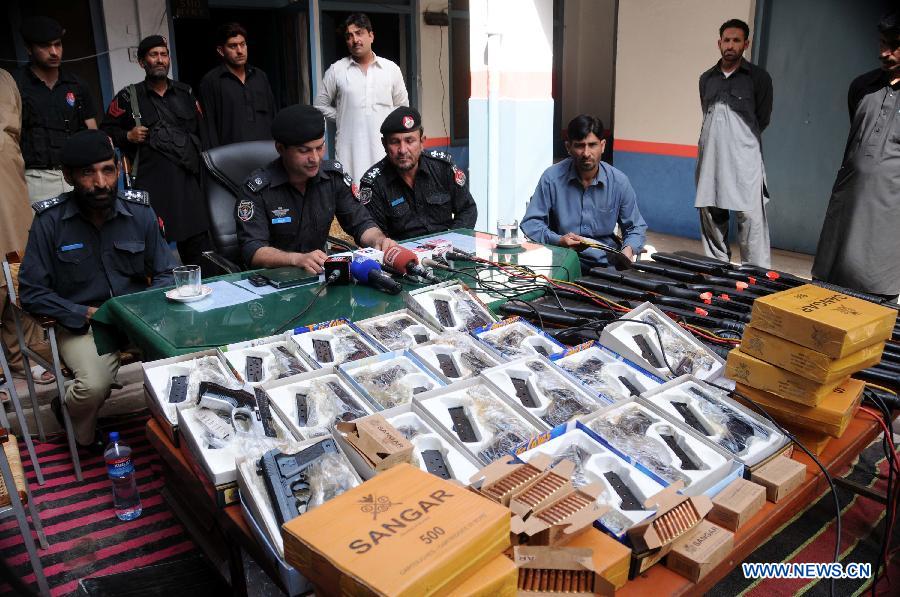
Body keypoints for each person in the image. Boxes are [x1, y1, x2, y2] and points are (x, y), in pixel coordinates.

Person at [18, 130, 177, 451]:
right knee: (91, 387)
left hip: (137, 317)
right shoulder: (50, 222)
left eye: (108, 170)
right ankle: (70, 416)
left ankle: (179, 432)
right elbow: (31, 292)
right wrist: (84, 313)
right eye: (87, 173)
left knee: (183, 359)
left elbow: (166, 273)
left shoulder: (139, 212)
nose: (101, 182)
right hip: (84, 325)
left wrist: (143, 307)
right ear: (69, 176)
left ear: (119, 170)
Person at [101, 35, 214, 276]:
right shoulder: (127, 97)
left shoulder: (186, 93)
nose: (160, 59)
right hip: (151, 186)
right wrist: (127, 136)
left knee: (201, 255)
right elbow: (106, 131)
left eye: (164, 54)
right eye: (154, 55)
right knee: (153, 254)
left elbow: (203, 134)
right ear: (142, 62)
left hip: (188, 185)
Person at [236, 104, 397, 273]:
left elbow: (360, 223)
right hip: (272, 279)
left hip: (318, 274)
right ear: (281, 149)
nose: (315, 158)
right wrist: (296, 259)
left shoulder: (332, 177)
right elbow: (253, 250)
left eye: (319, 148)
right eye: (304, 151)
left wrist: (378, 240)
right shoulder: (257, 189)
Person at [812, 12, 900, 301]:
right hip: (846, 210)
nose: (885, 53)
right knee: (829, 292)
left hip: (888, 218)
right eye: (882, 43)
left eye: (895, 45)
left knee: (874, 302)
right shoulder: (862, 87)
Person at [695, 18, 773, 268]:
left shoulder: (758, 79)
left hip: (744, 163)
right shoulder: (706, 78)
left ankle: (755, 280)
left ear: (746, 44)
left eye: (736, 40)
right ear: (719, 43)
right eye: (726, 40)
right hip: (711, 162)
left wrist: (737, 140)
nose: (730, 45)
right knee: (711, 217)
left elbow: (762, 118)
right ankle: (717, 274)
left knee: (751, 222)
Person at [521, 115, 647, 268]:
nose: (586, 153)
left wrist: (627, 252)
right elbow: (531, 223)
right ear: (568, 147)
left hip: (606, 265)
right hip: (563, 262)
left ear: (603, 145)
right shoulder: (551, 178)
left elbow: (635, 227)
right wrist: (558, 240)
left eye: (592, 145)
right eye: (580, 145)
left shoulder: (619, 182)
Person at [0, 67, 53, 383]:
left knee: (17, 263)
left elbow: (12, 129)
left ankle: (26, 353)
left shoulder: (3, 79)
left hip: (7, 178)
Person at [314, 13, 409, 182]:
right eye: (349, 36)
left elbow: (402, 107)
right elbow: (320, 104)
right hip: (349, 153)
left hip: (384, 151)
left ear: (371, 35)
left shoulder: (390, 69)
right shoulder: (337, 70)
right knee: (351, 200)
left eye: (359, 33)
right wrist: (342, 116)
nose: (355, 40)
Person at [12, 16, 97, 204]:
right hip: (36, 178)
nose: (53, 52)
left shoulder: (76, 85)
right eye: (44, 46)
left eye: (57, 45)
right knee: (40, 232)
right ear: (29, 49)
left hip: (77, 173)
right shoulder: (15, 85)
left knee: (83, 232)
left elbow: (92, 130)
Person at [359, 107, 477, 240]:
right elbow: (376, 236)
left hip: (448, 251)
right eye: (395, 142)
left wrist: (453, 242)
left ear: (422, 142)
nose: (403, 150)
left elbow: (468, 209)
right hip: (404, 256)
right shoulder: (373, 184)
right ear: (384, 144)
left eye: (410, 141)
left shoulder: (442, 168)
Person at [199, 22, 277, 148]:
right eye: (233, 46)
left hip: (265, 152)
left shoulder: (260, 76)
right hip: (231, 156)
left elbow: (273, 114)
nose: (240, 51)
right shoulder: (211, 82)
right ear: (221, 50)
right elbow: (208, 127)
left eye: (243, 44)